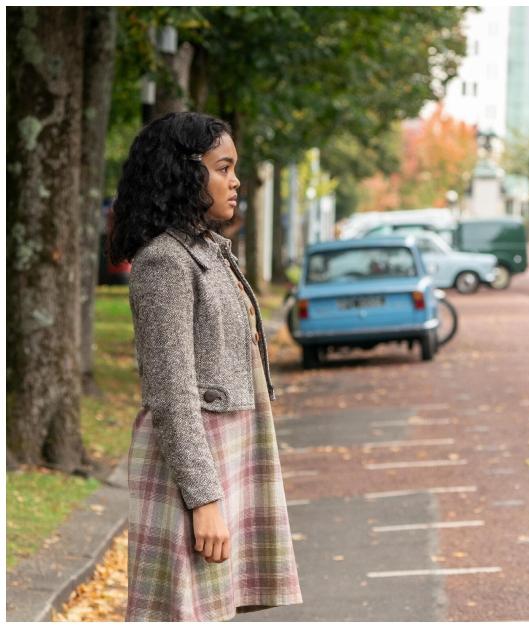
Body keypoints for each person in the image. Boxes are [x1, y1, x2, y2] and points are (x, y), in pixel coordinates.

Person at [109, 112, 302, 621]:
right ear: (184, 172)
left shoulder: (209, 252)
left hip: (227, 454)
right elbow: (171, 393)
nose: (235, 180)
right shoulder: (164, 263)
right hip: (194, 467)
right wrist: (203, 501)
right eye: (223, 167)